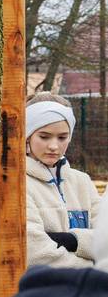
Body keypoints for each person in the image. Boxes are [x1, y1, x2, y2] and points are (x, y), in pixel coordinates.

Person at [24, 92, 100, 268]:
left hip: (88, 294)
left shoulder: (82, 182)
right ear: (27, 135)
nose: (53, 146)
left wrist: (70, 240)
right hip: (42, 294)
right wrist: (94, 268)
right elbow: (36, 254)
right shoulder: (16, 185)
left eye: (62, 137)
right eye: (44, 136)